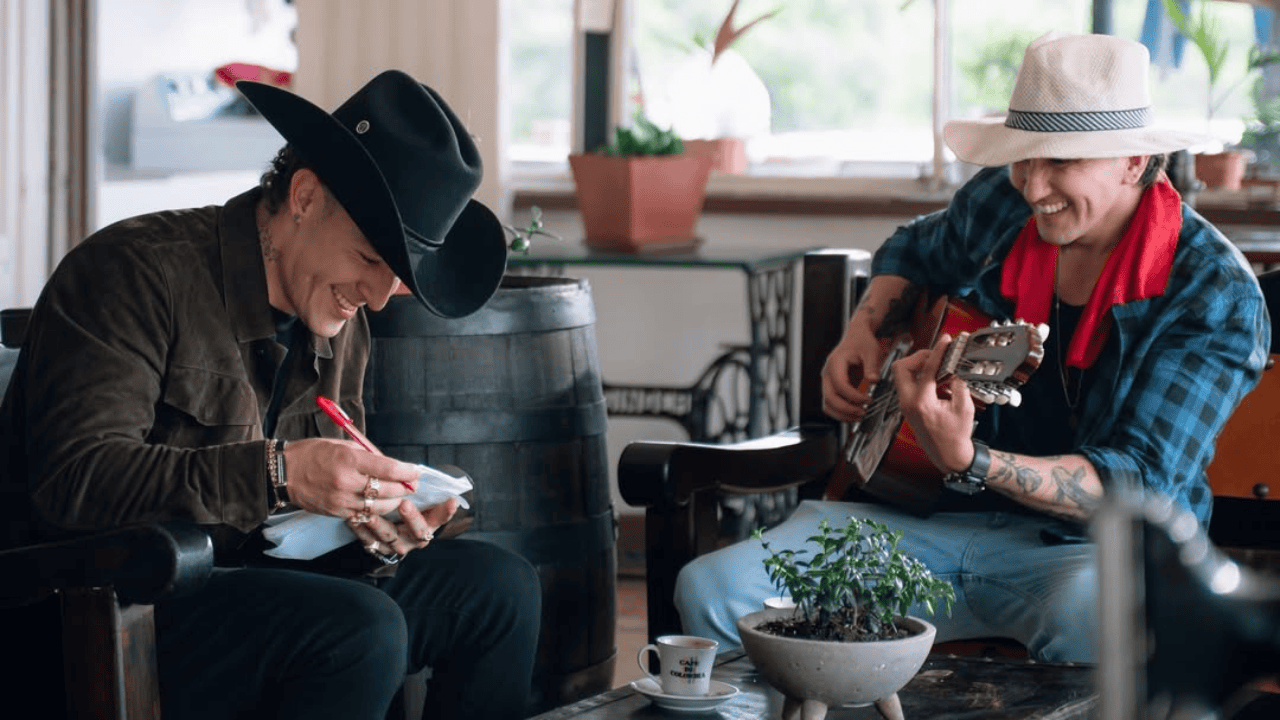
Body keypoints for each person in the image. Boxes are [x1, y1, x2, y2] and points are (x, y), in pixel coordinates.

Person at [674, 32, 1271, 663]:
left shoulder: (1213, 294)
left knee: (1108, 615)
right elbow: (915, 246)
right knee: (713, 588)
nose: (1033, 187)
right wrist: (864, 327)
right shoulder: (1002, 203)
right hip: (915, 523)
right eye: (1023, 158)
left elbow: (1135, 484)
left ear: (1132, 162)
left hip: (1083, 551)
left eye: (1060, 161)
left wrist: (969, 457)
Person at [0, 70, 540, 719]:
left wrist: (370, 525)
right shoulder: (132, 273)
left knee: (500, 588)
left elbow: (304, 524)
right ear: (305, 196)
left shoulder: (341, 318)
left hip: (249, 581)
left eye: (399, 279)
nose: (374, 296)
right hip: (96, 609)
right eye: (370, 258)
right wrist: (280, 474)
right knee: (359, 630)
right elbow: (74, 483)